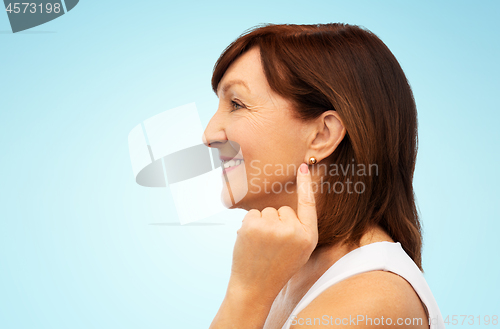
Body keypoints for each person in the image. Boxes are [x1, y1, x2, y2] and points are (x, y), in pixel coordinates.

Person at [202, 23, 445, 329]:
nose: (209, 134)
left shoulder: (370, 301)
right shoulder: (294, 274)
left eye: (237, 104)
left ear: (322, 135)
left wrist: (245, 295)